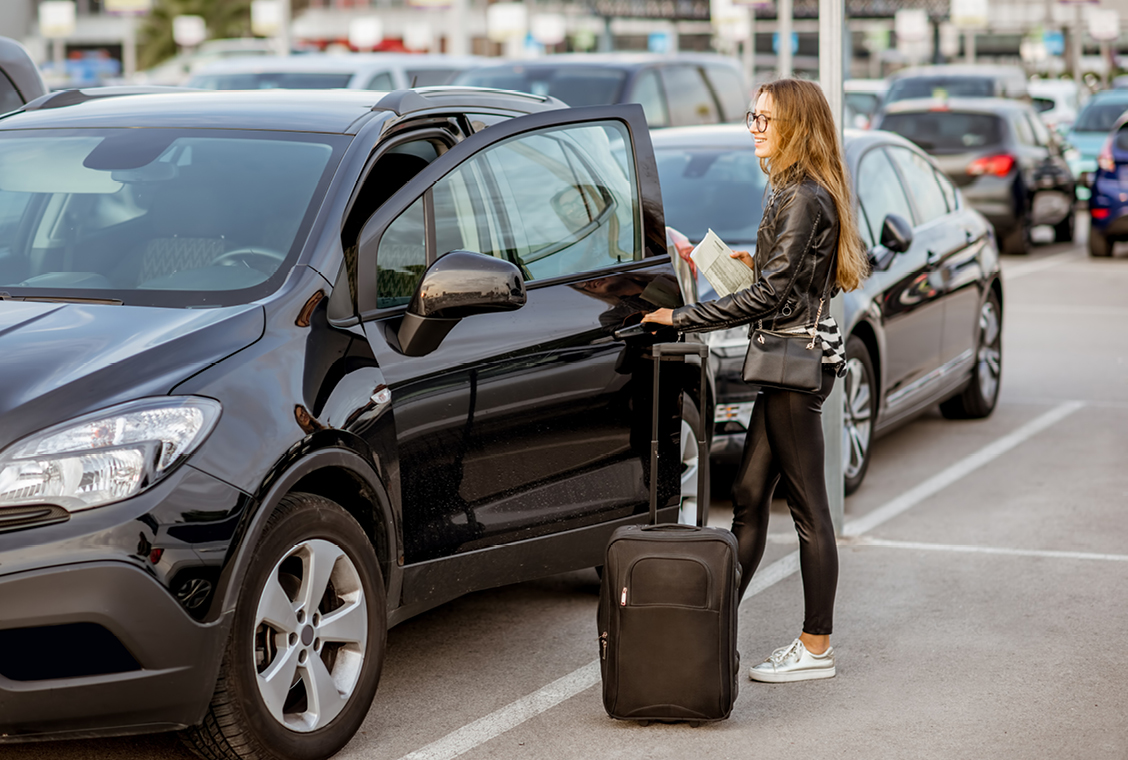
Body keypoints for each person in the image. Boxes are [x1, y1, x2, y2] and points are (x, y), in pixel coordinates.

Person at [641, 78, 869, 683]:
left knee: (809, 513)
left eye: (765, 120)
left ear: (795, 126)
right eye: (752, 117)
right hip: (782, 362)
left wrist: (680, 316)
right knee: (746, 497)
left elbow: (772, 294)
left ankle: (816, 646)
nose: (755, 129)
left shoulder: (803, 197)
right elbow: (781, 278)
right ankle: (712, 625)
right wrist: (733, 261)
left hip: (793, 370)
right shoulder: (793, 191)